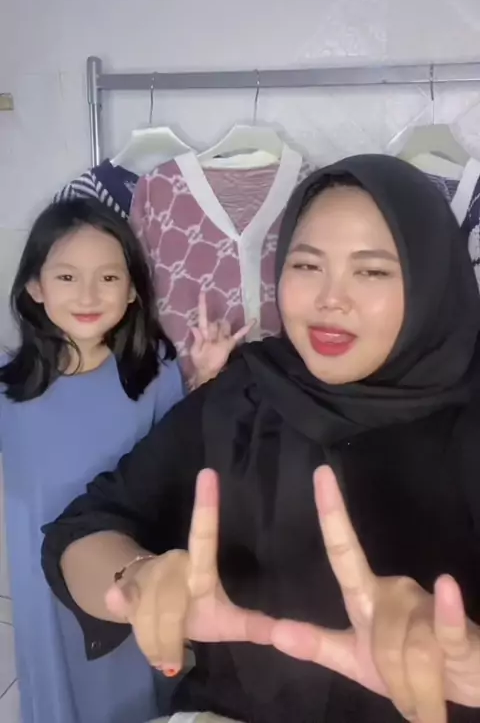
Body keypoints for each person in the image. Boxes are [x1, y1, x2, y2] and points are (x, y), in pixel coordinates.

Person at [41, 156, 480, 723]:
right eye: (306, 265)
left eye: (372, 272)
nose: (330, 298)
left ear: (432, 281)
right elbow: (82, 529)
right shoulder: (245, 390)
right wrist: (138, 576)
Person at [0, 198, 248, 723]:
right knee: (56, 685)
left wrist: (205, 380)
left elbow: (177, 457)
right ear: (35, 287)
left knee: (129, 686)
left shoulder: (154, 374)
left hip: (124, 567)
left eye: (109, 277)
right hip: (41, 585)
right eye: (67, 276)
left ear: (133, 289)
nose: (88, 295)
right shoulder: (7, 386)